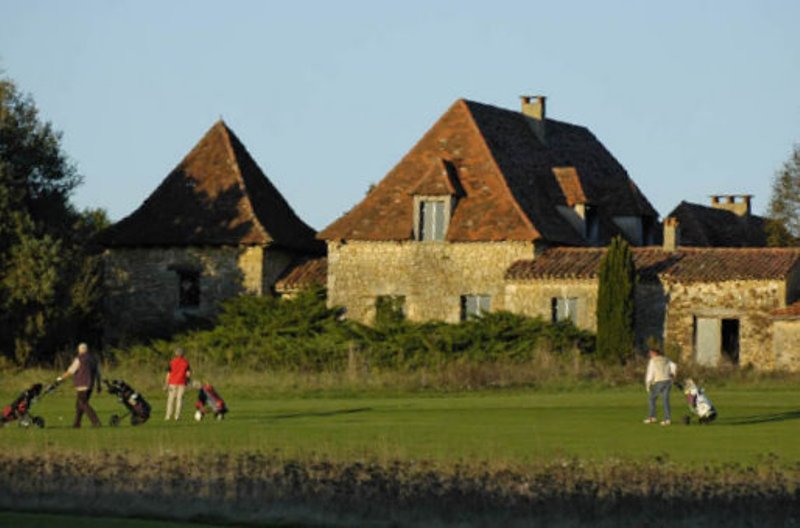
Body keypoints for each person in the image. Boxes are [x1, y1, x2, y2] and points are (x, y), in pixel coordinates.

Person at [58, 342, 102, 428]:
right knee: (79, 405)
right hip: (91, 385)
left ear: (79, 350)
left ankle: (96, 422)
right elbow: (98, 374)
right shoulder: (93, 359)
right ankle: (77, 423)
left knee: (83, 403)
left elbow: (71, 371)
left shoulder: (79, 359)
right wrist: (99, 386)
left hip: (82, 385)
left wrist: (61, 378)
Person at [644, 347, 678, 426]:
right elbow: (674, 366)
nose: (650, 355)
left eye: (651, 353)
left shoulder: (653, 361)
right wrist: (672, 374)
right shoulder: (666, 359)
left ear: (655, 353)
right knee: (665, 400)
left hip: (659, 381)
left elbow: (650, 373)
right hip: (668, 381)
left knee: (651, 398)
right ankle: (667, 419)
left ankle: (652, 417)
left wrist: (648, 384)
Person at [164, 347, 191, 420]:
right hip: (182, 382)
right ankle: (177, 416)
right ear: (183, 354)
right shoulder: (186, 362)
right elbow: (188, 374)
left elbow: (168, 374)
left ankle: (168, 416)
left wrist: (166, 383)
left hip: (172, 383)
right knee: (179, 400)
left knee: (171, 400)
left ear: (176, 354)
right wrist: (188, 381)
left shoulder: (172, 362)